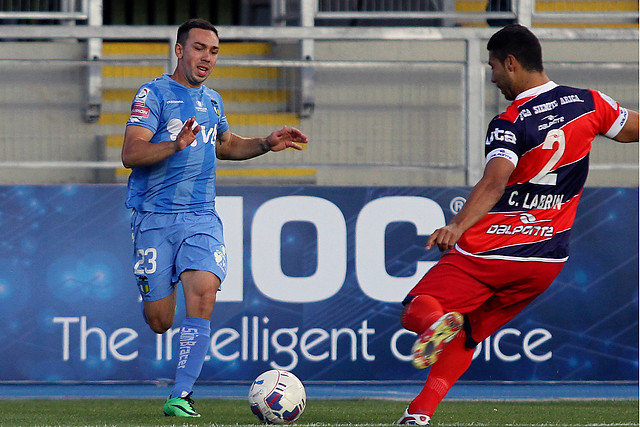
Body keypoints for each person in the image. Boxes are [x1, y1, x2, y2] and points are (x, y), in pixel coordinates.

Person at [396, 24, 638, 426]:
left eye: (493, 67)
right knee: (469, 333)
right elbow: (634, 127)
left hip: (493, 249)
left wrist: (456, 225)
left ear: (511, 62)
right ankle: (419, 414)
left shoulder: (510, 121)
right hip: (546, 260)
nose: (492, 77)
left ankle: (435, 325)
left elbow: (495, 180)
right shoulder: (590, 103)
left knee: (415, 311)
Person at [121, 18, 308, 418]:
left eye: (214, 50)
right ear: (179, 50)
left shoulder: (213, 101)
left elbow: (225, 144)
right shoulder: (152, 95)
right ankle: (156, 292)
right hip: (153, 219)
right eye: (199, 48)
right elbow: (131, 155)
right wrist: (175, 144)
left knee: (204, 294)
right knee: (159, 321)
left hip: (201, 217)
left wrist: (263, 143)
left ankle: (181, 395)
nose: (207, 57)